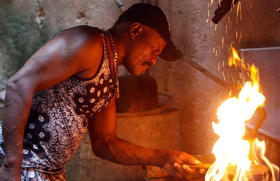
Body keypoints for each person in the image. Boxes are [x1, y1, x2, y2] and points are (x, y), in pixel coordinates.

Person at [0, 3, 201, 181]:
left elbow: (105, 142)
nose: (153, 60)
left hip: (50, 172)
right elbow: (18, 85)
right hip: (22, 166)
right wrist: (10, 167)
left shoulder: (109, 79)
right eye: (154, 50)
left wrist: (164, 158)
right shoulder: (89, 43)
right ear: (136, 30)